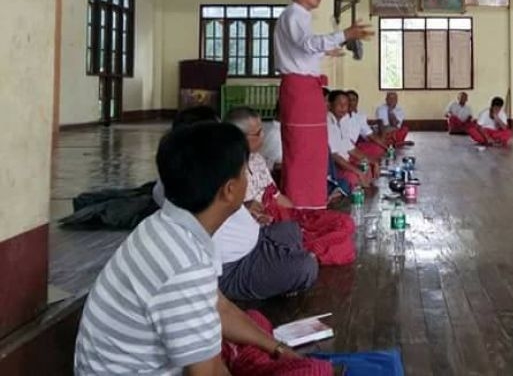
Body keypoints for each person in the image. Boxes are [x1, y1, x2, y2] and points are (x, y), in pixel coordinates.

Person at [74, 122, 305, 374]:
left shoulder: (170, 226)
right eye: (244, 173)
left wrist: (276, 348)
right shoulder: (185, 265)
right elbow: (208, 371)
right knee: (313, 371)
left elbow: (219, 306)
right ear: (229, 190)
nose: (247, 180)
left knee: (256, 330)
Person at [155, 108, 319, 302]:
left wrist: (248, 209)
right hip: (235, 266)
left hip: (255, 238)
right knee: (306, 267)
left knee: (291, 230)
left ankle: (281, 266)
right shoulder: (193, 188)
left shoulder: (206, 173)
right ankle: (282, 269)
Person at [275, 0, 372, 209]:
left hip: (308, 90)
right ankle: (301, 206)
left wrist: (326, 51)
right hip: (299, 92)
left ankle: (314, 202)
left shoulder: (301, 17)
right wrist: (344, 35)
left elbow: (304, 52)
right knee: (302, 150)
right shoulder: (293, 14)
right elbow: (307, 44)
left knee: (316, 150)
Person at [227, 106, 356, 267]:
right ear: (238, 137)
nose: (263, 136)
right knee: (340, 245)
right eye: (258, 133)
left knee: (344, 222)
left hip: (282, 219)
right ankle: (300, 253)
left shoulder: (257, 160)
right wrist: (245, 208)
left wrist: (300, 217)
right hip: (261, 230)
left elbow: (277, 196)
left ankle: (303, 250)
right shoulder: (226, 169)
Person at [328, 90, 373, 189]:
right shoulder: (327, 122)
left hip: (346, 162)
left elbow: (350, 148)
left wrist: (373, 162)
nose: (343, 107)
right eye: (339, 104)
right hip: (334, 167)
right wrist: (357, 171)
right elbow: (334, 156)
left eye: (346, 104)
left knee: (367, 168)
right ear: (330, 104)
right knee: (355, 177)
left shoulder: (343, 121)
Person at [346, 89, 387, 160]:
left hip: (353, 148)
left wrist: (387, 148)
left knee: (379, 149)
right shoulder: (339, 117)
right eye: (348, 100)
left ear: (357, 102)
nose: (350, 102)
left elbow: (371, 135)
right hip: (343, 149)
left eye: (353, 100)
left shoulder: (358, 118)